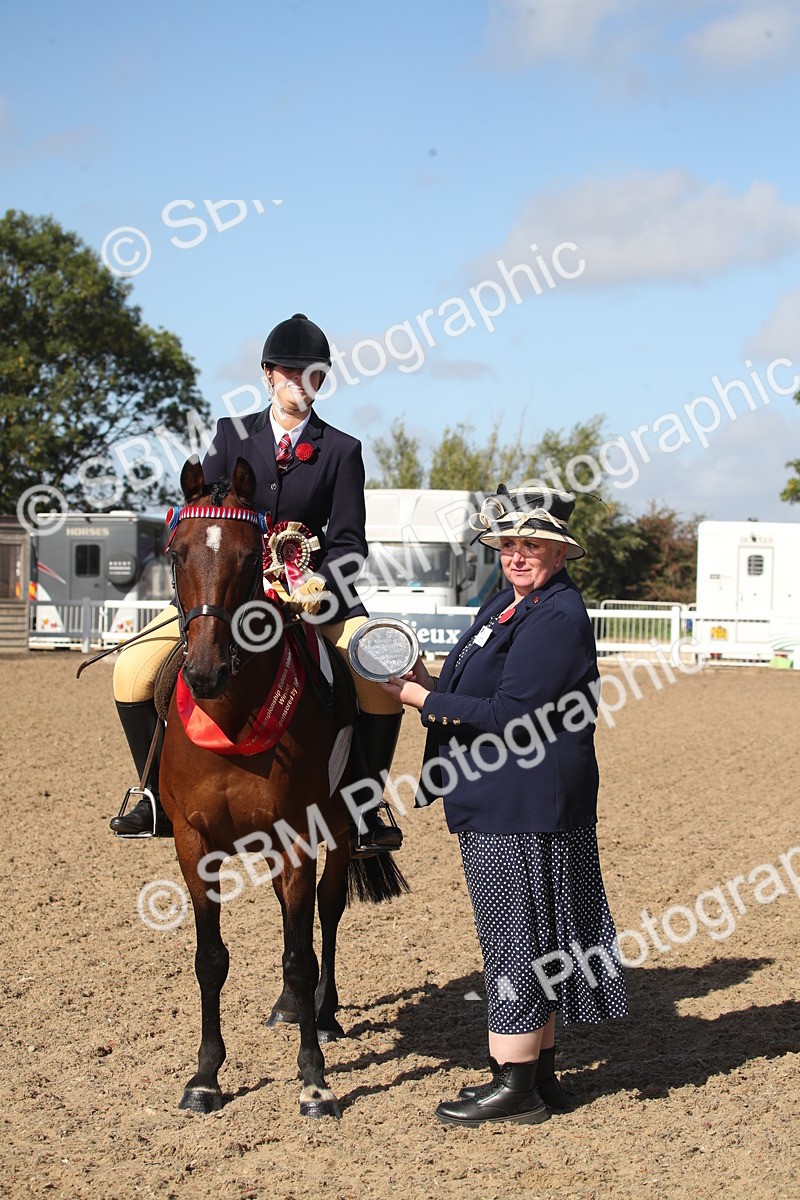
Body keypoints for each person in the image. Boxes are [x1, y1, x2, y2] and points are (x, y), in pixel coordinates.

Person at [380, 485, 628, 1127]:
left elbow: (513, 717)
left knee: (513, 939)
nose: (518, 555)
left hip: (522, 799)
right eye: (511, 545)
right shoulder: (508, 604)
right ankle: (539, 1078)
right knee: (534, 936)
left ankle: (512, 1081)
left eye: (533, 546)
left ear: (560, 552)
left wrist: (421, 701)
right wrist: (435, 683)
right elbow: (485, 688)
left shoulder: (555, 616)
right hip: (511, 796)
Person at [110, 314, 403, 855]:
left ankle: (365, 810)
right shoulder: (231, 435)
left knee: (378, 686)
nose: (299, 382)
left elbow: (349, 544)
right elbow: (203, 519)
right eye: (288, 372)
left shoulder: (341, 450)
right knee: (131, 670)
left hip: (313, 602)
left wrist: (315, 585)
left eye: (311, 374)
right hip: (222, 596)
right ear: (268, 374)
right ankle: (153, 797)